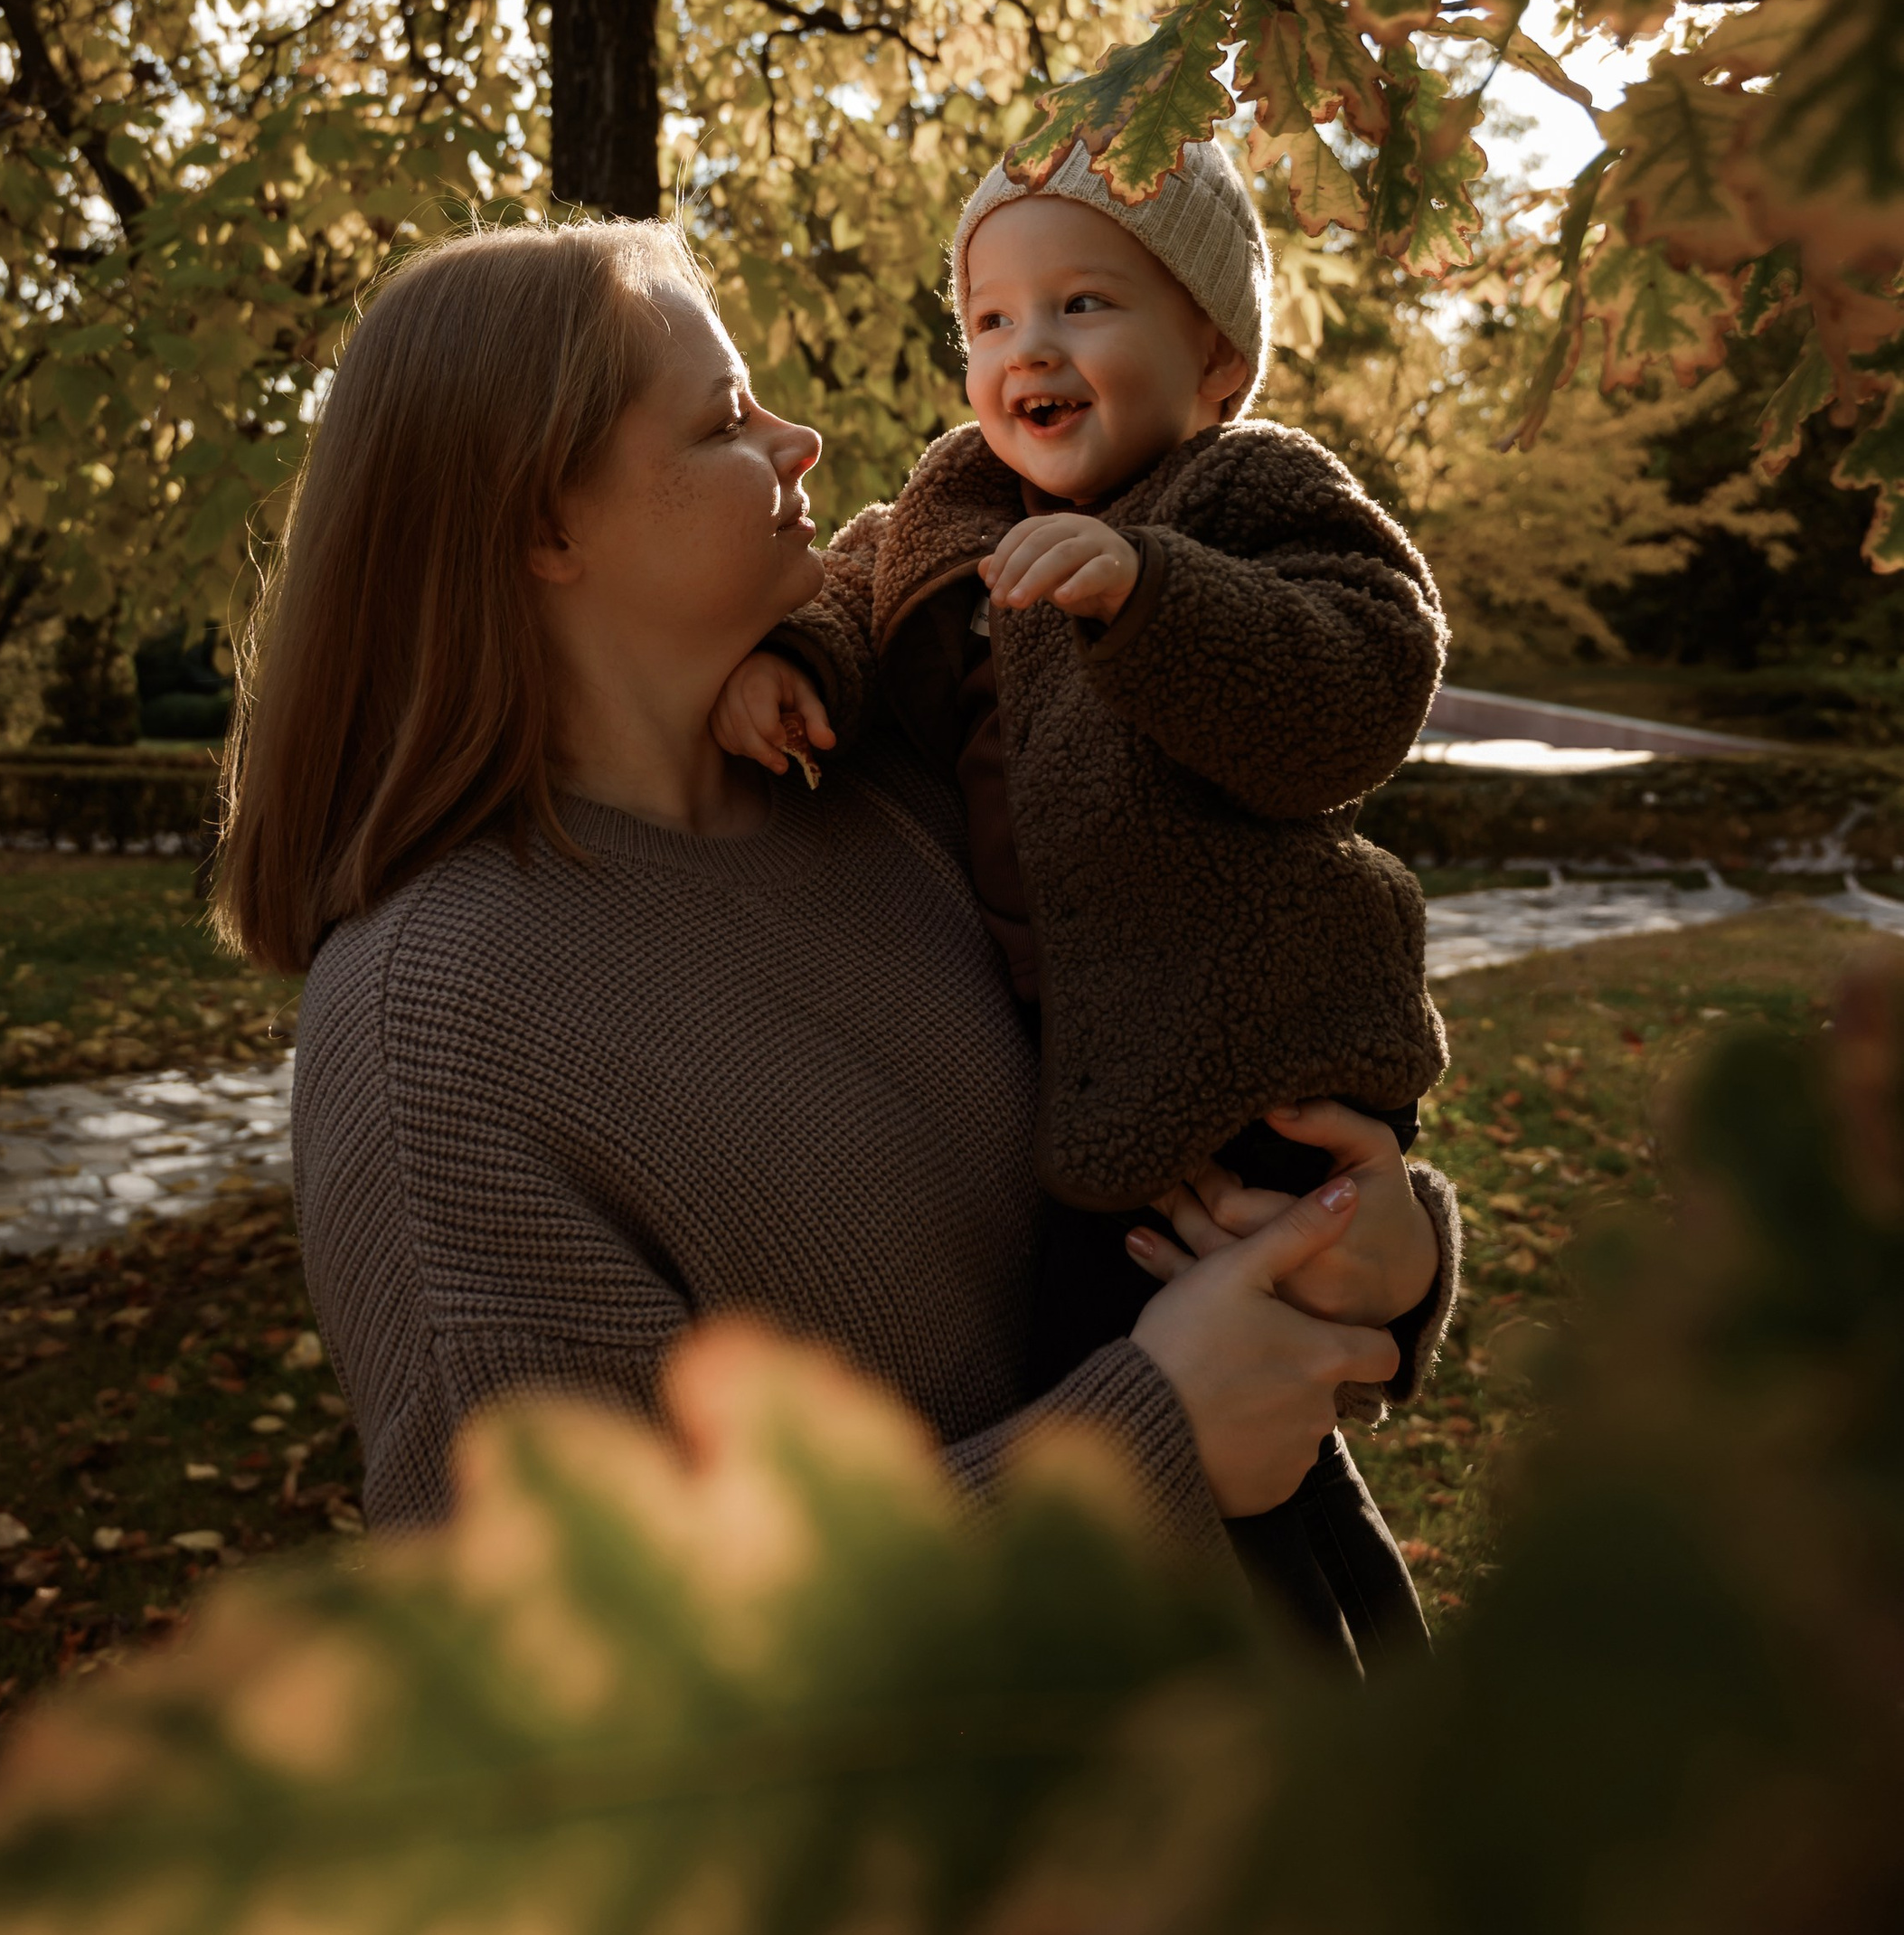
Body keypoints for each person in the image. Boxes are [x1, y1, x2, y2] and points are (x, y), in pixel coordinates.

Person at [212, 215, 1458, 1637]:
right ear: (546, 522)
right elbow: (562, 1653)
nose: (802, 441)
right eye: (725, 421)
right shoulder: (436, 1024)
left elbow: (1201, 1026)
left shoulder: (901, 785)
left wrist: (1382, 1251)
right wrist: (1135, 1452)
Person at [714, 131, 1452, 1659]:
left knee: (1240, 1395)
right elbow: (854, 596)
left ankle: (1341, 1680)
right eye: (990, 320)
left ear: (1219, 358)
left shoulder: (1249, 489)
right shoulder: (947, 508)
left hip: (1254, 1044)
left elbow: (1365, 675)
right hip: (1090, 1085)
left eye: (1086, 306)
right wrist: (795, 665)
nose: (1027, 349)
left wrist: (1150, 592)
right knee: (1155, 1396)